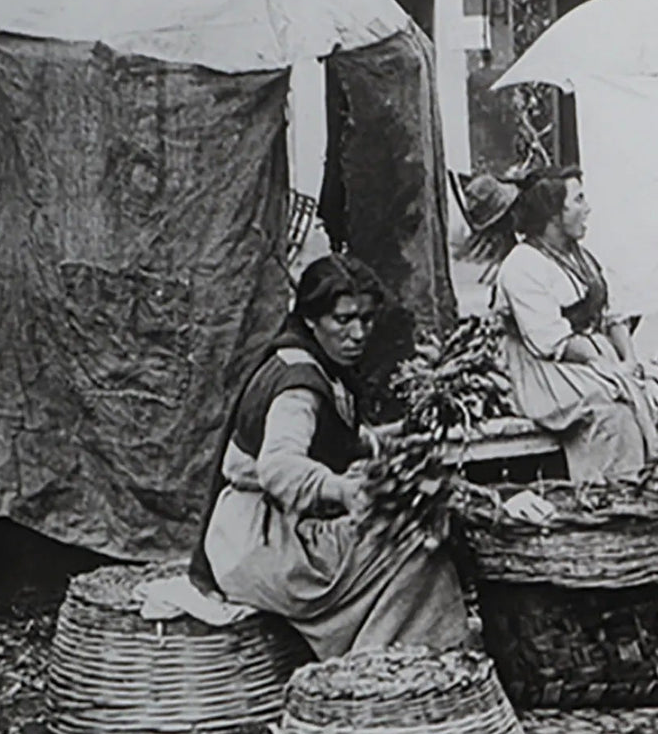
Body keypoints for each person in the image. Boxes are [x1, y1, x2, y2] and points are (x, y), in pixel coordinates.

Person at [187, 253, 471, 659]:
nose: (358, 333)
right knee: (418, 547)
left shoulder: (310, 363)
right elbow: (277, 467)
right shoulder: (298, 386)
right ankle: (379, 666)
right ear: (310, 319)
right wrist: (341, 489)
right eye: (343, 320)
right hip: (264, 546)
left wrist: (390, 442)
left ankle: (388, 655)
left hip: (251, 533)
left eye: (366, 320)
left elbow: (335, 436)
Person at [479, 166, 658, 518]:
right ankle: (634, 505)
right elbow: (552, 342)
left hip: (591, 355)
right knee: (619, 408)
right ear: (554, 214)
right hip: (544, 370)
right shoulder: (522, 266)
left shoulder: (580, 256)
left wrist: (628, 360)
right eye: (579, 200)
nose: (587, 208)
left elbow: (611, 315)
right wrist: (611, 370)